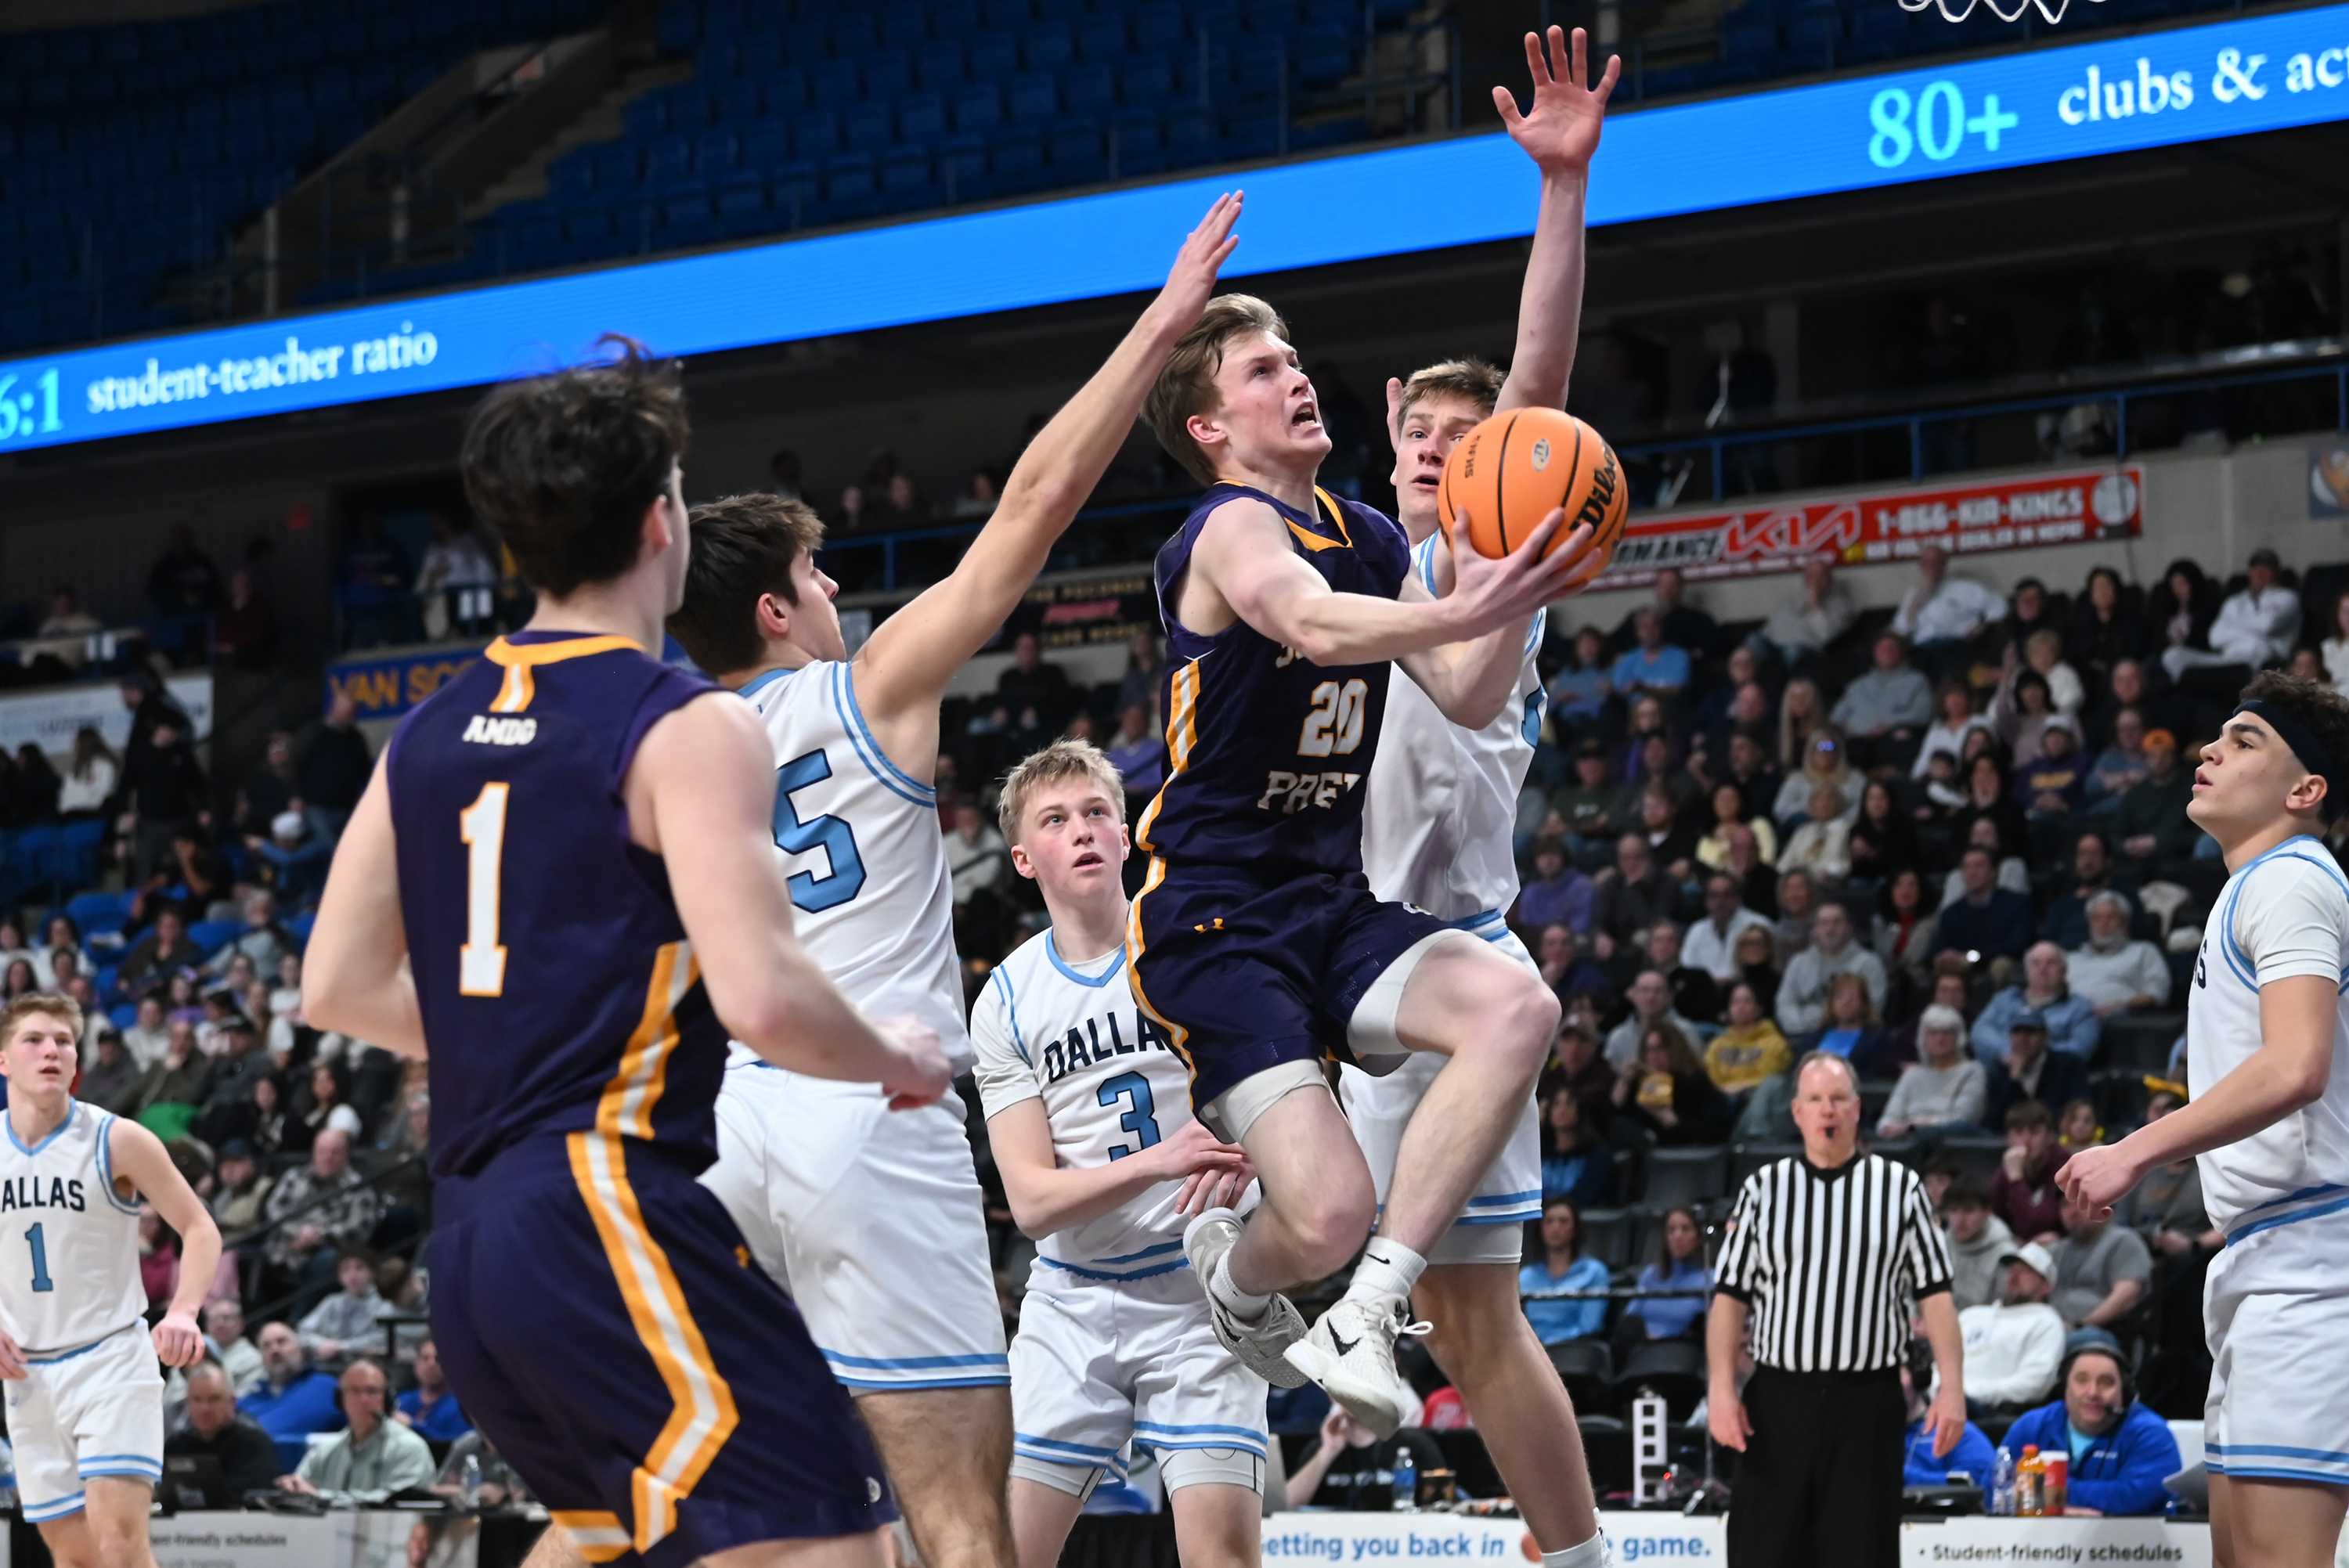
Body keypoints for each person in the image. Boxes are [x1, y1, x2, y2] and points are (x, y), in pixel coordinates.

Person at [304, 341, 956, 1568]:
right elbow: (763, 996)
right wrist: (895, 1052)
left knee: (623, 1545)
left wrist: (522, 1026)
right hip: (604, 1203)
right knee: (836, 1543)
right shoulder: (684, 719)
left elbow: (331, 982)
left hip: (471, 1246)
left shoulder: (430, 726)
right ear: (662, 519)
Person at [662, 209, 1240, 1568]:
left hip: (727, 1126)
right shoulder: (860, 690)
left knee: (740, 1503)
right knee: (963, 1513)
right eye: (815, 574)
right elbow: (1030, 511)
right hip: (877, 1107)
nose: (833, 593)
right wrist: (1159, 328)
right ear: (773, 612)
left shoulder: (660, 747)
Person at [1126, 157, 1610, 1445]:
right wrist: (1458, 603)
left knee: (1520, 1003)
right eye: (1259, 368)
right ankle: (1242, 1277)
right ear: (1215, 428)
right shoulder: (1225, 532)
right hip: (1215, 913)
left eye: (1294, 355)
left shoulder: (1378, 534)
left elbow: (1460, 683)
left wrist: (1505, 582)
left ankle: (1370, 1306)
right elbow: (1311, 622)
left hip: (1335, 898)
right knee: (1322, 1210)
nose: (1295, 374)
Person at [1334, 70, 1626, 1545]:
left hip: (1447, 957)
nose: (1450, 445)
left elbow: (1541, 381)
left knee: (1472, 1318)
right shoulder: (1343, 563)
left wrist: (1559, 192)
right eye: (1427, 428)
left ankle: (1575, 1543)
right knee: (1407, 1303)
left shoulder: (1487, 569)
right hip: (1340, 958)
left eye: (1476, 430)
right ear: (1390, 439)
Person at [2059, 670, 2349, 1564]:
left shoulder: (2292, 878)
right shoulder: (2253, 885)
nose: (2210, 750)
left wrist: (2135, 1151)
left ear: (2306, 791)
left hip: (2313, 1271)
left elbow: (2296, 1064)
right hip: (2269, 1261)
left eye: (2246, 739)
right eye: (2217, 735)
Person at [965, 743, 1269, 1568]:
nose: (1084, 831)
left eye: (1098, 811)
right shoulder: (1008, 996)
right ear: (1025, 858)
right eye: (1056, 820)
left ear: (1127, 832)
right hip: (1074, 1299)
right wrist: (1160, 1160)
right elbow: (1029, 1199)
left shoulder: (1199, 937)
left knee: (1223, 1558)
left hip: (1203, 1291)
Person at [1708, 1054, 1965, 1568]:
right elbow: (1730, 1298)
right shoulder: (1764, 1189)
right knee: (1764, 1546)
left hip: (1866, 1400)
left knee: (1862, 1549)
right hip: (1778, 1398)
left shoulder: (1900, 1188)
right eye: (1817, 1100)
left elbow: (1935, 1295)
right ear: (1798, 1112)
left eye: (1839, 1098)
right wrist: (1719, 1386)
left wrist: (1952, 1387)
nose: (1828, 1109)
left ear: (1857, 1108)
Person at [0, 993, 218, 1559]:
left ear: (77, 1062)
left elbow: (200, 1228)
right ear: (3, 1060)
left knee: (118, 1541)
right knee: (76, 1555)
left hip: (111, 1357)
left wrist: (183, 1310)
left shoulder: (117, 1138)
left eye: (64, 1041)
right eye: (34, 1039)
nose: (51, 1050)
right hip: (28, 1372)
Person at [1999, 1346, 2181, 1516]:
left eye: (2106, 1382)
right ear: (2065, 1387)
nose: (2093, 1392)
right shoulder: (2032, 1426)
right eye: (2082, 1380)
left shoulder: (2151, 1433)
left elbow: (2133, 1497)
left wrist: (2045, 1493)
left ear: (2125, 1393)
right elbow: (1995, 1487)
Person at [280, 1358, 435, 1505]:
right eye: (354, 1391)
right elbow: (302, 1486)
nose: (363, 1399)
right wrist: (293, 1487)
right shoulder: (326, 1451)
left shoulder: (409, 1448)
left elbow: (395, 1503)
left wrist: (321, 1497)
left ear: (387, 1398)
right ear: (340, 1398)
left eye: (372, 1391)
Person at [258, 1130, 379, 1313]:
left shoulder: (358, 1186)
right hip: (286, 1246)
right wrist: (299, 1232)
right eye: (322, 1151)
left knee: (327, 1260)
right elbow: (275, 1209)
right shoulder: (295, 1177)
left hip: (327, 1250)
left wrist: (318, 1236)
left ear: (347, 1154)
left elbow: (358, 1230)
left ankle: (296, 1321)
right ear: (314, 1152)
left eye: (335, 1152)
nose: (328, 1157)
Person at [1957, 1241, 2066, 1413]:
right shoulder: (1971, 1315)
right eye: (2013, 1268)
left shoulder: (2046, 1322)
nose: (2015, 1275)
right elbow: (1941, 1359)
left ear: (2046, 1286)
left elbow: (2035, 1383)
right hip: (1942, 1399)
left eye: (2027, 1271)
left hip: (1989, 1411)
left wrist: (1970, 1392)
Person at [2161, 546, 2300, 680]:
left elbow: (2267, 626)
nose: (2259, 573)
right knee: (2173, 655)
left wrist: (2235, 627)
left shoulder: (2288, 598)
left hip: (2263, 662)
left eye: (2265, 569)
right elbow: (2215, 637)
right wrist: (2254, 632)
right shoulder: (2234, 601)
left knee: (2258, 648)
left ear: (2276, 573)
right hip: (2227, 660)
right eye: (2255, 568)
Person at [164, 1361, 282, 1509]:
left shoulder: (254, 1443)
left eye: (214, 1399)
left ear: (232, 1401)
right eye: (197, 1400)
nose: (205, 1408)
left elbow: (253, 1500)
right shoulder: (176, 1444)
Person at [1283, 1404, 1447, 1510]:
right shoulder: (1320, 1448)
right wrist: (1329, 1451)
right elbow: (1287, 1504)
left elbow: (1442, 1505)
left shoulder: (1414, 1444)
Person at [1972, 945, 2100, 1065]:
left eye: (2050, 963)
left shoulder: (2080, 1008)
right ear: (2027, 972)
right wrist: (2007, 1051)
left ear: (2063, 971)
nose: (2042, 969)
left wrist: (2034, 1056)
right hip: (2000, 1070)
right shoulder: (2006, 998)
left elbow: (2081, 1049)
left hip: (2051, 1079)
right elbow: (1980, 1031)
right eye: (2036, 963)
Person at [1775, 903, 1887, 1037]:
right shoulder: (1798, 963)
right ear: (1815, 929)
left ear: (1849, 927)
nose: (1830, 929)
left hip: (1852, 1037)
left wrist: (1825, 1022)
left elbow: (1873, 1009)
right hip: (1802, 1037)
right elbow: (1784, 1004)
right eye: (1823, 923)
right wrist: (1804, 1026)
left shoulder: (1870, 964)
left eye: (1837, 923)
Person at [1611, 1022, 1733, 1145]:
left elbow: (1715, 1131)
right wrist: (1624, 1081)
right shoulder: (1642, 1081)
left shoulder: (1696, 1080)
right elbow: (1614, 1116)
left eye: (1659, 1049)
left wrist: (1667, 1117)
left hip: (1686, 1148)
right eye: (1648, 1050)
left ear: (1675, 1049)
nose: (1653, 1056)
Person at [2048, 1190, 2149, 1336]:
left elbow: (2126, 1297)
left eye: (2080, 1203)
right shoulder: (2058, 1249)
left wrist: (2082, 1326)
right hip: (2054, 1329)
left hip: (2104, 1332)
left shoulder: (2122, 1241)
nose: (2073, 1212)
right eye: (2065, 1205)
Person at [1900, 1340, 1999, 1487]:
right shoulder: (1866, 1435)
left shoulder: (1959, 1434)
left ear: (1917, 1376)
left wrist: (1897, 1475)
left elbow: (1975, 1486)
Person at [1877, 1005, 1986, 1138]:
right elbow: (1887, 1120)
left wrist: (1913, 1127)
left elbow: (1962, 1119)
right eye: (1933, 1033)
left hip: (1950, 1144)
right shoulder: (1912, 1074)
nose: (1940, 1039)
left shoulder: (1972, 1071)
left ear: (1958, 1038)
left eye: (1947, 1033)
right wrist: (1892, 1128)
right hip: (1907, 1141)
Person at [1891, 544, 2007, 665]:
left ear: (1944, 564)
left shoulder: (1965, 588)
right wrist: (1919, 596)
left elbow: (2000, 605)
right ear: (1921, 565)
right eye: (1928, 562)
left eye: (1937, 562)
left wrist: (1984, 625)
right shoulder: (1913, 594)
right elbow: (1901, 629)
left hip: (1954, 647)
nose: (1932, 566)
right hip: (1922, 652)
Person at [1831, 633, 1933, 768]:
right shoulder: (1858, 685)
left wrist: (1889, 726)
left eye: (1892, 648)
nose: (1887, 653)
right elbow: (1835, 717)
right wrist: (1853, 730)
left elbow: (1924, 713)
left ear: (1901, 652)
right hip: (1858, 740)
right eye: (1882, 649)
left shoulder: (1917, 681)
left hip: (1894, 740)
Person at [1521, 1198, 1610, 1344]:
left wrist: (1552, 1343)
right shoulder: (1526, 1276)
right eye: (1549, 1221)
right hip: (1531, 1351)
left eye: (1563, 1221)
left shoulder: (1594, 1272)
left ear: (1575, 1228)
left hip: (1574, 1349)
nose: (1555, 1227)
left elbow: (1590, 1326)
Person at [2068, 891, 2171, 1016]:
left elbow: (2158, 993)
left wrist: (2117, 1009)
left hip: (2120, 1023)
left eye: (2111, 917)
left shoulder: (2144, 951)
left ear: (2125, 922)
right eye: (2097, 918)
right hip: (2067, 1023)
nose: (2104, 923)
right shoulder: (2071, 959)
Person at [1618, 1207, 1709, 1344]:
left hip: (1683, 1349)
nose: (1678, 1236)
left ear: (1698, 1236)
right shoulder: (1651, 1274)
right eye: (1671, 1230)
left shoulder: (1710, 1279)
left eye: (1685, 1229)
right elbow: (1631, 1315)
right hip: (1642, 1346)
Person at [1990, 1101, 2069, 1245]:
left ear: (2050, 1137)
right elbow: (1992, 1218)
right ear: (2009, 1138)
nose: (2026, 1141)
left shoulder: (2063, 1167)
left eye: (2035, 1132)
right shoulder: (2007, 1168)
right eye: (2019, 1133)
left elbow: (2036, 1227)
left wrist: (2016, 1179)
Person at [295, 1249, 386, 1372]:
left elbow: (381, 1338)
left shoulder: (384, 1301)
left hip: (370, 1366)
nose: (353, 1275)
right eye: (346, 1269)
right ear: (339, 1276)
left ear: (372, 1272)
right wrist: (320, 1343)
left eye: (359, 1268)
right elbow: (303, 1330)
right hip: (328, 1366)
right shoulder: (332, 1302)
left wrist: (342, 1347)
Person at [1759, 557, 1855, 667]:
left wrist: (1815, 605)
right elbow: (1769, 629)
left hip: (1806, 650)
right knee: (1753, 641)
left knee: (1793, 651)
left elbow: (1827, 636)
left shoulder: (1840, 606)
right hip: (1774, 647)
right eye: (1810, 574)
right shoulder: (1791, 601)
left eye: (1820, 574)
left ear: (1828, 579)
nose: (1814, 579)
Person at [1941, 1177, 2015, 1311]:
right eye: (1953, 1210)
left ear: (1987, 1211)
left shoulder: (2006, 1255)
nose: (1960, 1219)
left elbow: (2004, 1311)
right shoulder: (1939, 1247)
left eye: (1969, 1210)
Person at [1704, 982, 1790, 1098]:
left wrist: (1741, 1087)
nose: (1740, 1007)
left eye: (1747, 1001)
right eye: (1735, 1002)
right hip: (1721, 1099)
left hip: (1755, 1098)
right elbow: (1709, 1077)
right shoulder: (1717, 1044)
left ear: (1759, 1008)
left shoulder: (1775, 1043)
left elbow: (1770, 1081)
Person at [1685, 874, 1773, 984]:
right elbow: (1689, 970)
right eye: (1714, 895)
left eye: (1726, 895)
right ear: (1706, 901)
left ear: (1738, 898)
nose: (1720, 901)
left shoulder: (1759, 925)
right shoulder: (1696, 931)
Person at [1604, 969, 1696, 1069]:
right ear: (1633, 995)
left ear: (1668, 997)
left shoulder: (1685, 1031)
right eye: (1644, 990)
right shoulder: (1618, 1038)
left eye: (1658, 991)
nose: (1651, 997)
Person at [1537, 1089, 1610, 1207]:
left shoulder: (1597, 1155)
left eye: (1570, 1103)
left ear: (1580, 1110)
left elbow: (1586, 1195)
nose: (1562, 1110)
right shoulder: (1539, 1152)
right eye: (1556, 1103)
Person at [393, 1338, 471, 1443]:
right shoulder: (401, 1399)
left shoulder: (463, 1407)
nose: (431, 1364)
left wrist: (413, 1426)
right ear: (416, 1363)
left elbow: (458, 1445)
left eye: (438, 1359)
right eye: (425, 1358)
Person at [1515, 838, 1597, 935]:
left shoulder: (1582, 887)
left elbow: (1582, 926)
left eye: (1554, 854)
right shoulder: (1530, 892)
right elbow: (1526, 928)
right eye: (1542, 856)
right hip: (1537, 947)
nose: (1548, 861)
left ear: (1564, 858)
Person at [204, 1299, 264, 1397]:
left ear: (240, 1324)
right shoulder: (193, 1354)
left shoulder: (253, 1359)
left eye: (226, 1318)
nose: (220, 1323)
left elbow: (243, 1399)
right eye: (214, 1318)